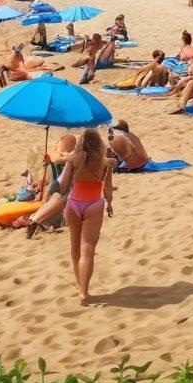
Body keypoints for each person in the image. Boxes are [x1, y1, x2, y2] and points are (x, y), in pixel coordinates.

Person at [57, 128, 113, 304]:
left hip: (74, 203)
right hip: (94, 204)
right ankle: (84, 292)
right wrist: (110, 204)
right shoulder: (105, 163)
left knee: (75, 247)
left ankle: (79, 285)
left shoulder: (73, 160)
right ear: (99, 144)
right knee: (87, 248)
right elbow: (107, 189)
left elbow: (64, 185)